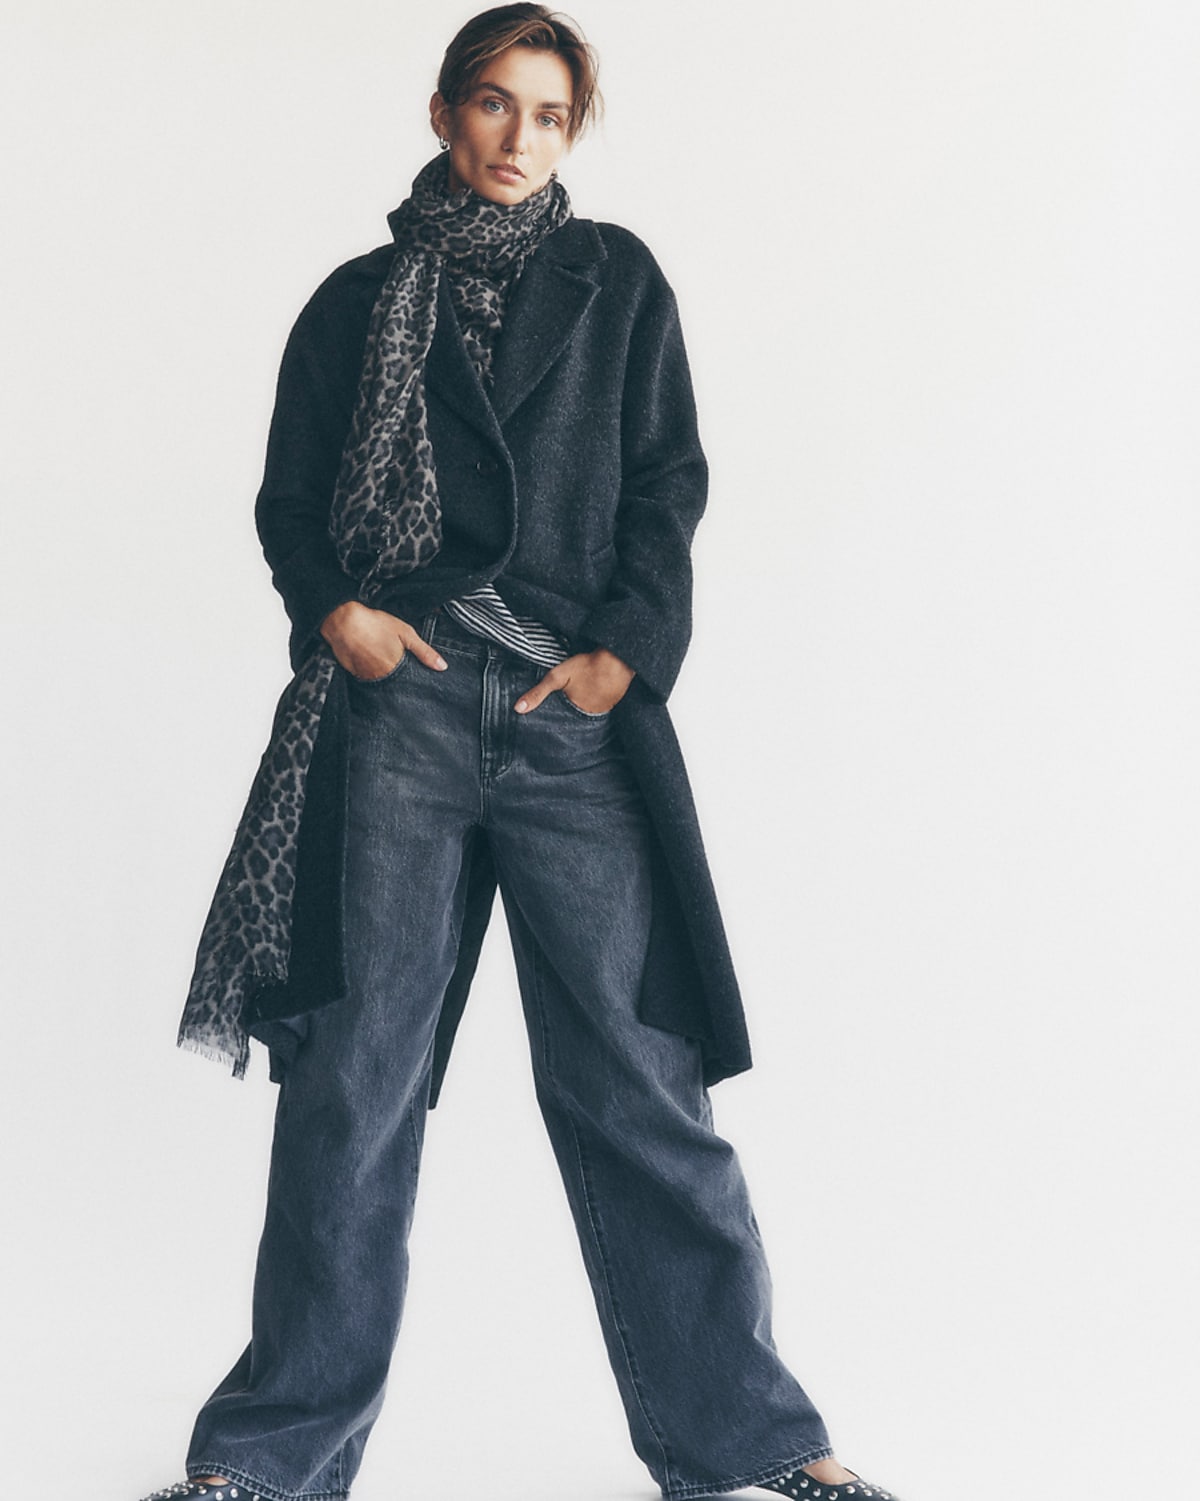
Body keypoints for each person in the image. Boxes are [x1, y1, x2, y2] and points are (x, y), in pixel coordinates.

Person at [148, 7, 904, 1500]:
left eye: (549, 115)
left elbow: (668, 484)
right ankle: (265, 1464)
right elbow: (293, 504)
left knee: (640, 1082)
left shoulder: (618, 285)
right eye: (494, 106)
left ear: (575, 133)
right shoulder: (357, 304)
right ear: (443, 114)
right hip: (399, 716)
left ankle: (747, 1450)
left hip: (569, 725)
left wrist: (626, 652)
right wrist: (341, 616)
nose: (518, 137)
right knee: (351, 1087)